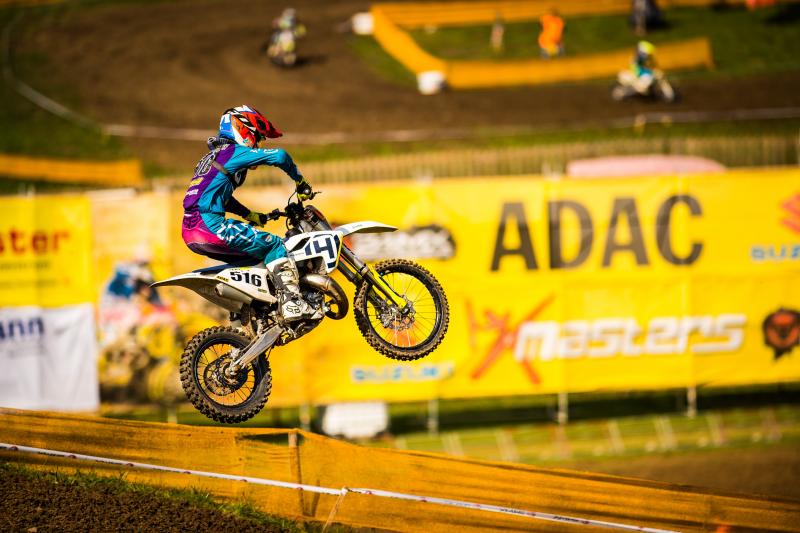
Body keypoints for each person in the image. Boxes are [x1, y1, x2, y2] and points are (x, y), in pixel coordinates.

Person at [181, 105, 315, 322]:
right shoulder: (233, 152)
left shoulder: (213, 156)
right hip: (209, 225)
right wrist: (300, 182)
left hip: (190, 231)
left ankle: (246, 320)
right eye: (257, 138)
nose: (257, 145)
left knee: (253, 263)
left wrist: (249, 214)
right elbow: (280, 156)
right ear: (243, 129)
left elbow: (217, 195)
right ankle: (292, 303)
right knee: (274, 245)